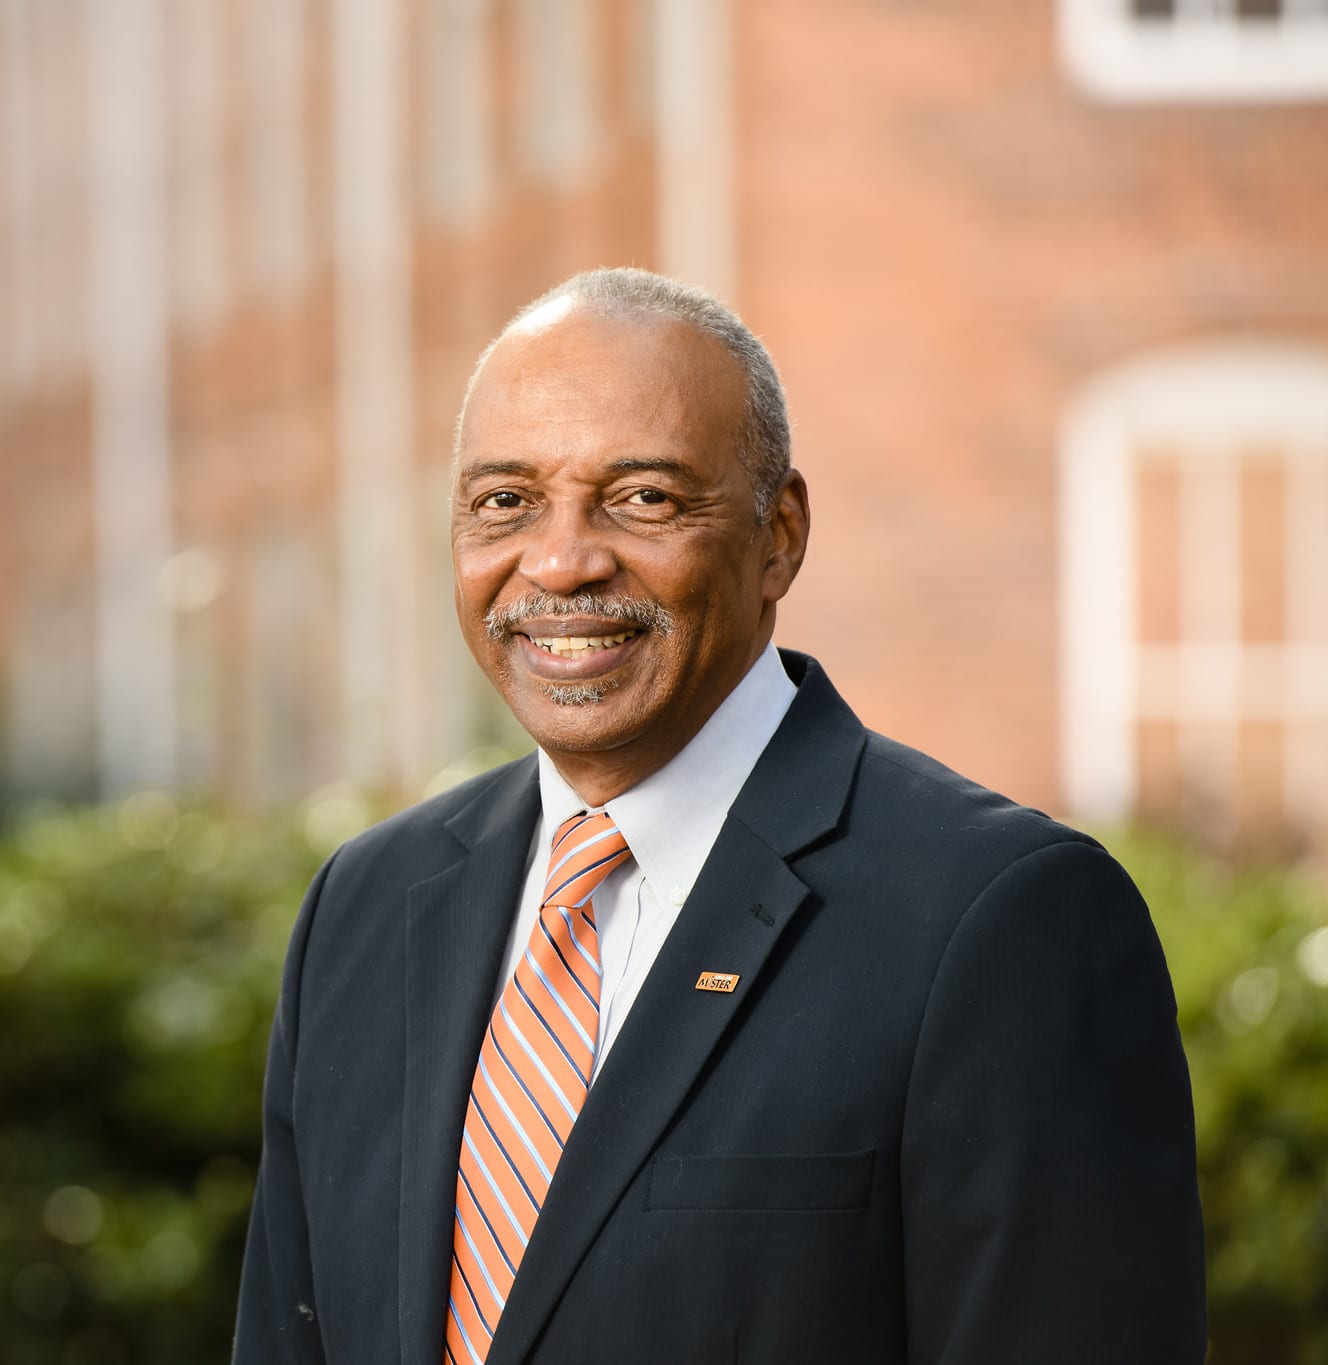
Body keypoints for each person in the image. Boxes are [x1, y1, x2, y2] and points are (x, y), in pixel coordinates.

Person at [230, 267, 1205, 1365]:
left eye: (641, 497)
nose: (558, 561)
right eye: (504, 501)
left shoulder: (1002, 920)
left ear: (777, 534)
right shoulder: (363, 909)